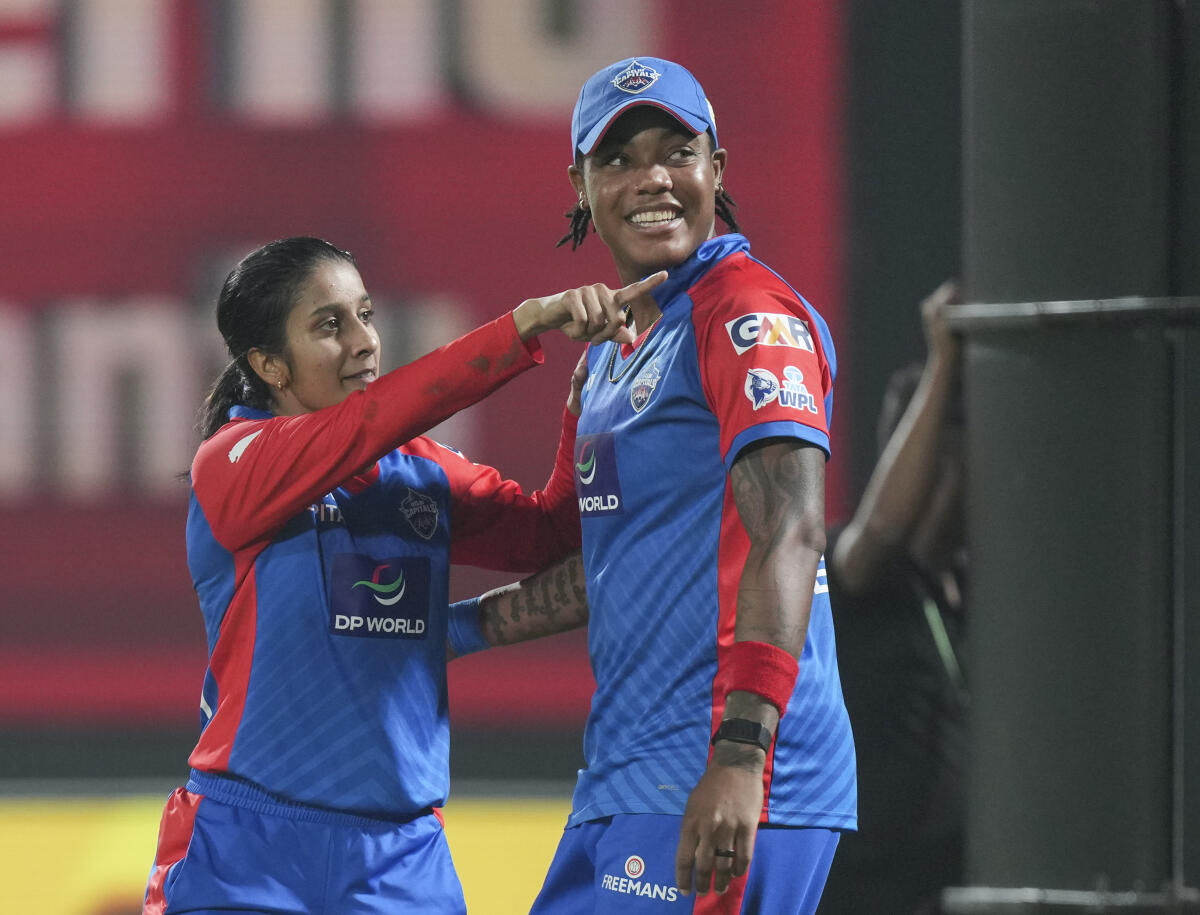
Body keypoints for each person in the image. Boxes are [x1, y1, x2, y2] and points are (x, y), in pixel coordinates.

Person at [141, 235, 665, 915]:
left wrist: (588, 409)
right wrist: (526, 323)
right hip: (245, 849)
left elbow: (551, 533)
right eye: (330, 325)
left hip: (399, 861)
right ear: (268, 363)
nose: (363, 342)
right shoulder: (232, 463)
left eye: (366, 315)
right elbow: (373, 421)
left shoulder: (420, 470)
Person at [523, 57, 858, 914]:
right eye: (620, 159)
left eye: (677, 151)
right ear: (582, 184)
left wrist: (743, 757)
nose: (653, 179)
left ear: (717, 165)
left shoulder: (748, 315)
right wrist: (426, 627)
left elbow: (792, 530)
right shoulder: (613, 348)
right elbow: (578, 553)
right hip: (630, 773)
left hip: (723, 773)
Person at [817, 282, 968, 914]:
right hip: (855, 896)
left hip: (940, 891)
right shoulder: (857, 579)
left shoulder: (980, 595)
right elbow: (878, 533)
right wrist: (944, 363)